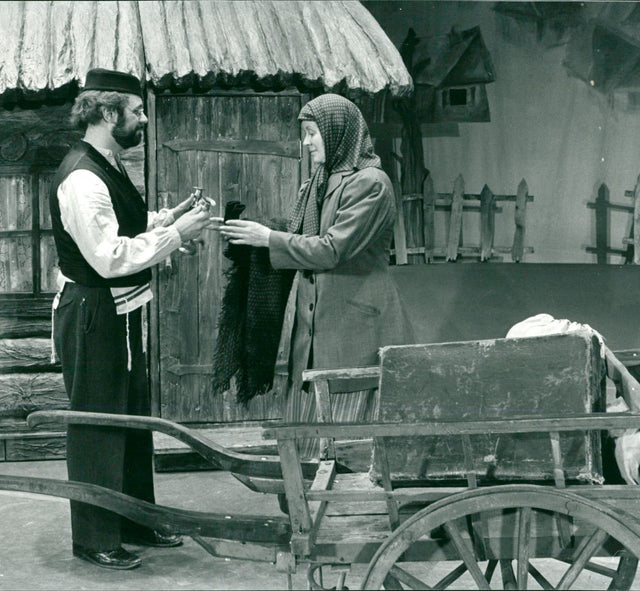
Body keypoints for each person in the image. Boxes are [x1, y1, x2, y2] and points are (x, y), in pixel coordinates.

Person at [49, 68, 210, 570]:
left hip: (121, 313)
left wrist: (167, 219)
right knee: (99, 425)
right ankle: (95, 537)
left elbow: (125, 227)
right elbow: (108, 256)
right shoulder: (81, 176)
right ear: (107, 112)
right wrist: (177, 236)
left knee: (132, 420)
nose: (143, 119)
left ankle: (136, 518)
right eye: (136, 110)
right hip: (94, 314)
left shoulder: (109, 163)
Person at [218, 93, 413, 456]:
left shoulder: (370, 184)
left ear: (338, 132)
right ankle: (303, 500)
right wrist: (254, 234)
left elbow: (331, 248)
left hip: (354, 323)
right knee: (308, 426)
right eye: (305, 134)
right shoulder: (319, 182)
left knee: (351, 436)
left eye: (312, 133)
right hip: (316, 325)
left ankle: (344, 504)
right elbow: (303, 234)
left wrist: (269, 238)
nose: (306, 143)